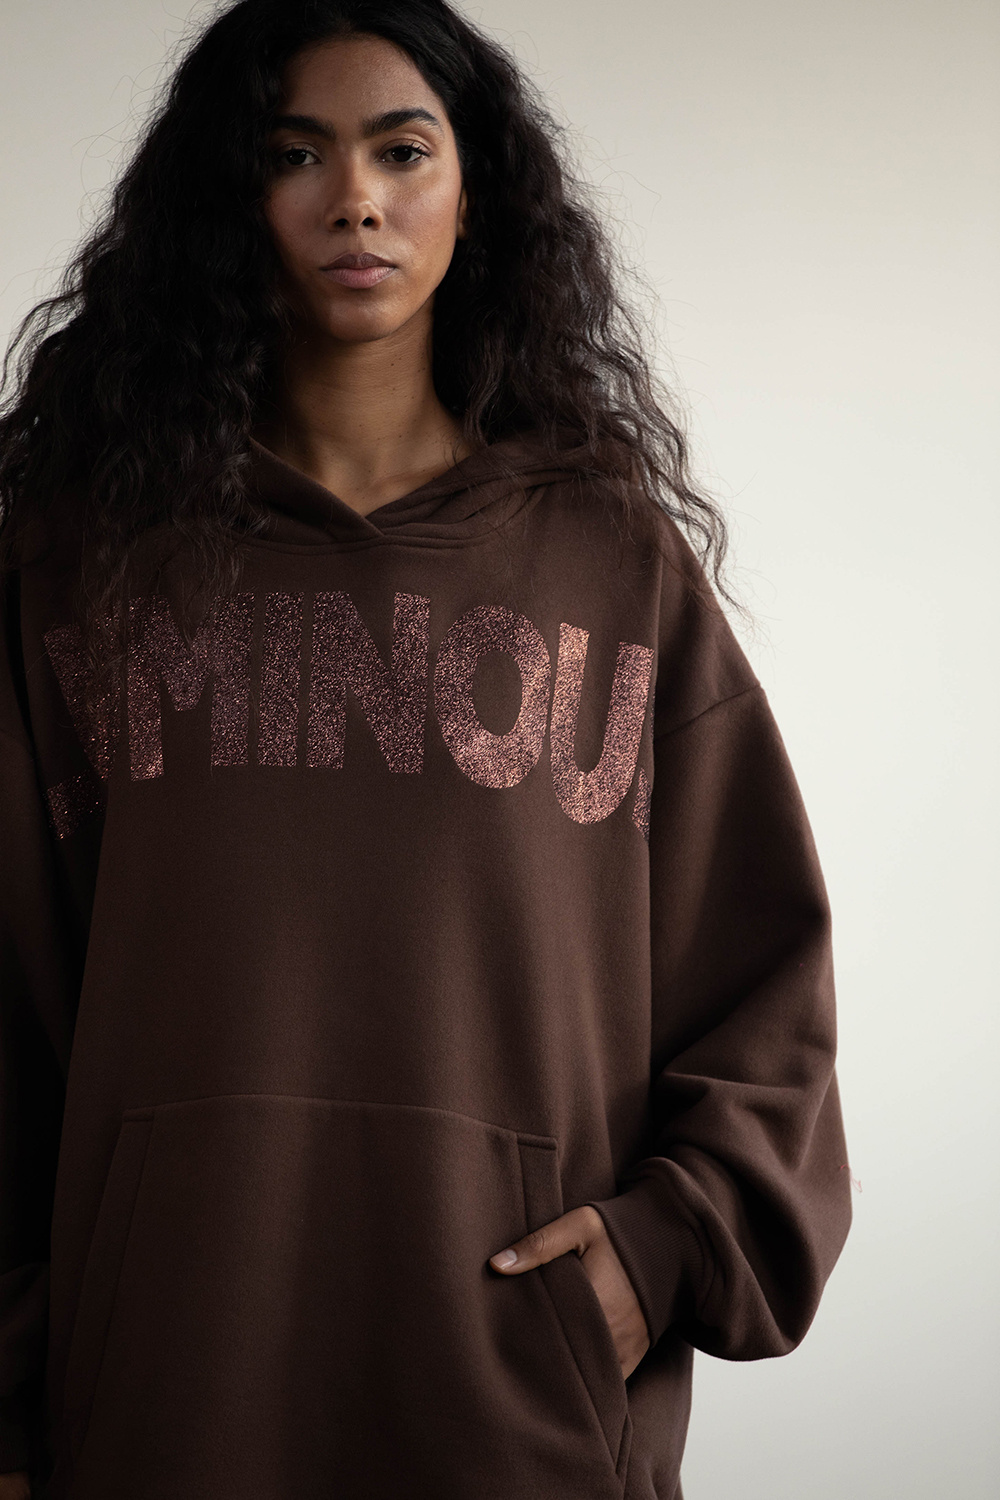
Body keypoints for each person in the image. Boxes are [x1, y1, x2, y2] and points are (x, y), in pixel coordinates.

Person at [0, 1, 852, 1496]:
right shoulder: (85, 568)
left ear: (478, 193)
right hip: (163, 1400)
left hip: (516, 1410)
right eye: (294, 154)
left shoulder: (612, 567)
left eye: (403, 151)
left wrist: (662, 1252)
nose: (356, 200)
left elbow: (764, 993)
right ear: (227, 201)